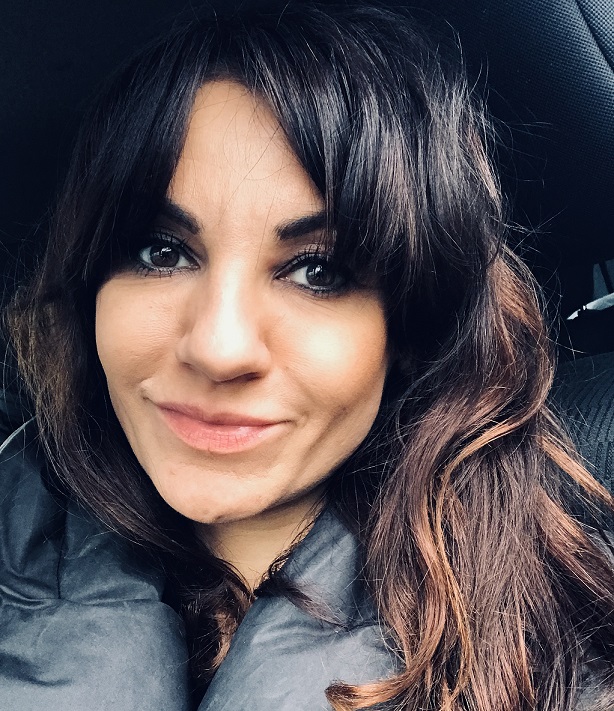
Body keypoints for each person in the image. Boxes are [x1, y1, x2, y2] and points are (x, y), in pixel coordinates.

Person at [2, 3, 614, 710]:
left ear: (410, 328)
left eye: (318, 271)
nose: (220, 348)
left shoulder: (568, 636)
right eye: (161, 252)